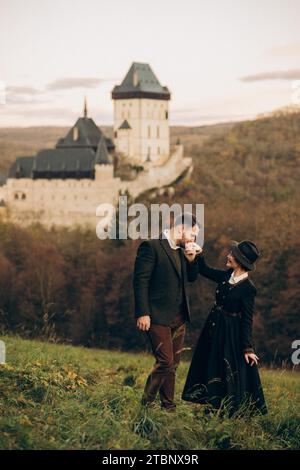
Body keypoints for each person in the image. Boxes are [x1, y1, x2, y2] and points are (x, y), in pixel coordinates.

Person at [182, 240, 268, 416]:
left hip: (230, 334)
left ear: (240, 261)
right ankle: (209, 404)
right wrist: (199, 254)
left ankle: (224, 409)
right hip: (213, 327)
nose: (228, 256)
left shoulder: (248, 289)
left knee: (224, 368)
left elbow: (247, 320)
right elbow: (205, 270)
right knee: (209, 363)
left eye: (232, 255)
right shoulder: (226, 276)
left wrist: (247, 347)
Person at [133, 213, 200, 411]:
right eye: (192, 235)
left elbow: (192, 279)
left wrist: (192, 260)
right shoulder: (151, 247)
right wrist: (142, 312)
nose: (193, 240)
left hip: (179, 318)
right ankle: (145, 404)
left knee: (174, 365)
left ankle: (168, 407)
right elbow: (140, 281)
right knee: (165, 361)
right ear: (180, 229)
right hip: (156, 315)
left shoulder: (182, 251)